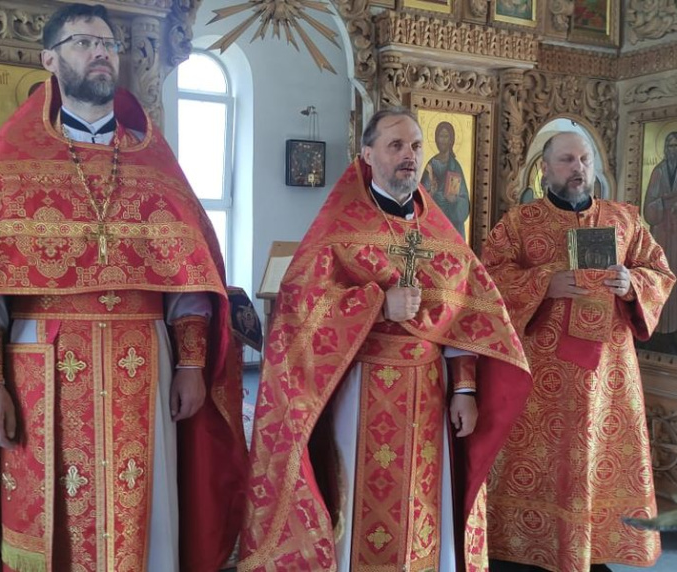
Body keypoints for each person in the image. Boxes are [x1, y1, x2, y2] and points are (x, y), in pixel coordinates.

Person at [0, 4, 247, 571]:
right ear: (50, 59)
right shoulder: (7, 166)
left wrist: (193, 364)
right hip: (39, 365)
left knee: (144, 515)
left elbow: (190, 271)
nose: (100, 53)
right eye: (83, 43)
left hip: (142, 361)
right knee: (48, 522)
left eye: (108, 44)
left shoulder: (154, 162)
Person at [237, 108, 532, 571]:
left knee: (425, 499)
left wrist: (466, 389)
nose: (409, 157)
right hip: (360, 390)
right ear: (367, 154)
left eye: (416, 147)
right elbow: (301, 309)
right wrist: (376, 304)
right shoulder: (340, 227)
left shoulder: (440, 232)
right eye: (396, 146)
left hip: (430, 393)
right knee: (360, 499)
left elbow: (466, 317)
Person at [482, 131, 675, 572]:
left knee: (597, 462)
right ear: (545, 168)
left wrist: (633, 285)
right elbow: (488, 277)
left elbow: (659, 271)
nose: (578, 168)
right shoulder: (519, 222)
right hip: (541, 382)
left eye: (584, 159)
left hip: (608, 379)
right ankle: (527, 546)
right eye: (567, 159)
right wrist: (542, 283)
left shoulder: (624, 219)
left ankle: (588, 550)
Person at [643, 131, 677, 345]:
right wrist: (663, 203)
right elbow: (648, 209)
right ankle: (660, 327)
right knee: (660, 278)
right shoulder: (657, 172)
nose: (674, 150)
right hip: (662, 237)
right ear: (665, 148)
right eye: (671, 146)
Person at [420, 121, 471, 238]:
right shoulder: (431, 165)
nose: (443, 140)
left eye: (446, 136)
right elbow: (420, 196)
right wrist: (431, 193)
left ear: (451, 140)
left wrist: (454, 200)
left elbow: (464, 200)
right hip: (432, 222)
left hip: (451, 225)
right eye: (440, 136)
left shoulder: (455, 166)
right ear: (436, 139)